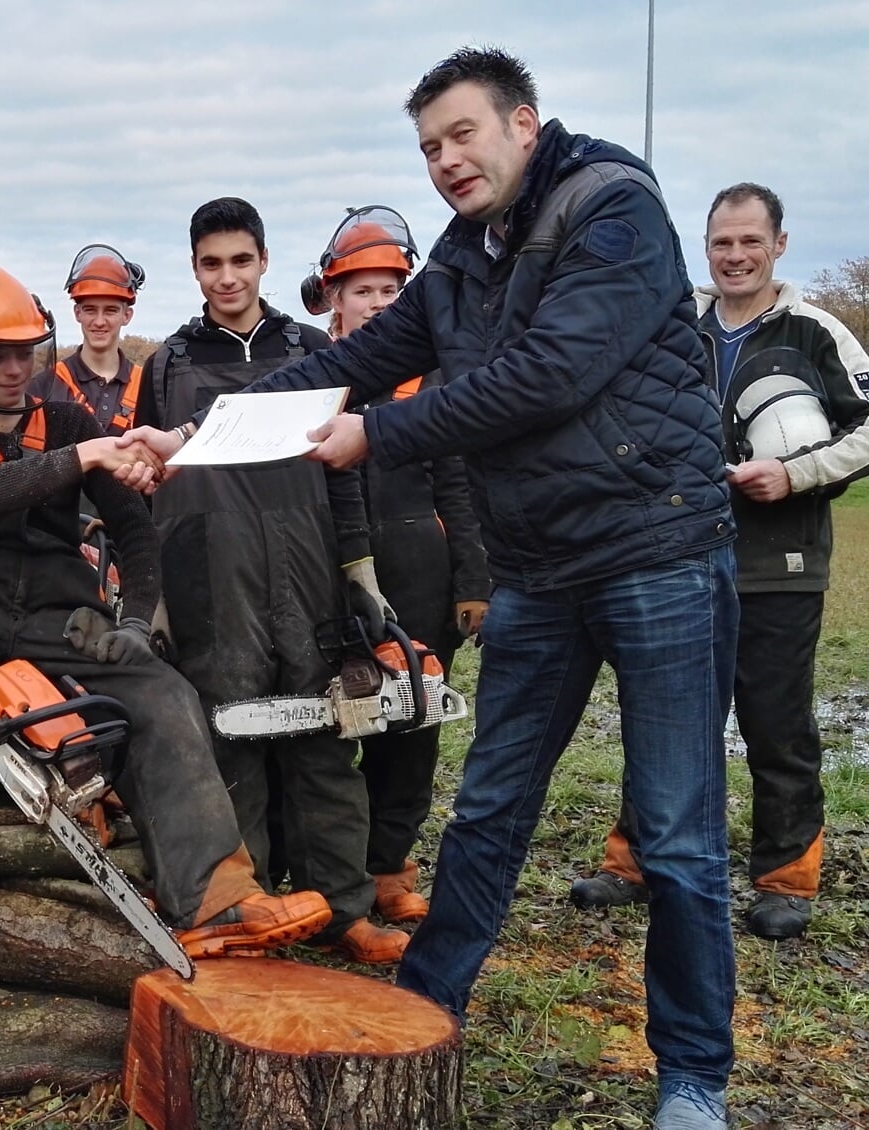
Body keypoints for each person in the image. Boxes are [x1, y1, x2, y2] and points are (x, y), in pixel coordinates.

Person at [117, 48, 739, 1130]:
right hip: (541, 566)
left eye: (461, 135)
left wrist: (377, 433)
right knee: (490, 806)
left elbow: (547, 371)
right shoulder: (462, 253)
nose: (446, 160)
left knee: (677, 830)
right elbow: (346, 363)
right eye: (427, 147)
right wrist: (199, 434)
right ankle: (426, 1001)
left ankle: (690, 1074)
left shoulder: (612, 209)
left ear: (521, 124)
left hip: (657, 548)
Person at [0, 265, 332, 960]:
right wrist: (83, 455)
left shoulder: (67, 418)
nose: (14, 369)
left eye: (24, 352)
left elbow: (136, 533)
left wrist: (136, 623)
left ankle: (215, 900)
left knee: (164, 693)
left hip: (60, 614)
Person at [570, 183, 869, 941]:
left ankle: (784, 880)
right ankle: (634, 864)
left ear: (777, 245)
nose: (734, 255)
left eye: (749, 241)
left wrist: (794, 474)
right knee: (664, 719)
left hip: (777, 565)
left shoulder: (813, 330)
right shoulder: (671, 323)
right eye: (721, 242)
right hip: (671, 560)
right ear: (705, 246)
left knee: (774, 722)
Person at [132, 197, 404, 964]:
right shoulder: (168, 364)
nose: (227, 277)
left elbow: (343, 468)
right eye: (211, 263)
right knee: (232, 740)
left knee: (323, 740)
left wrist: (359, 569)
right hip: (211, 579)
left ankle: (344, 909)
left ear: (263, 261)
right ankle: (244, 908)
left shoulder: (311, 347)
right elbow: (154, 489)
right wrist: (153, 599)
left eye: (240, 260)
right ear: (193, 269)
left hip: (308, 564)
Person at [303, 205, 491, 926]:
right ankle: (326, 867)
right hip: (328, 571)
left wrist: (471, 581)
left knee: (411, 726)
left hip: (419, 565)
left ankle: (387, 867)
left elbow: (461, 488)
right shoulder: (317, 383)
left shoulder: (432, 383)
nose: (377, 302)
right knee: (327, 721)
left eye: (390, 290)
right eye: (362, 290)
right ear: (334, 299)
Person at [29, 244, 147, 436]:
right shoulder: (45, 386)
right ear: (77, 313)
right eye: (90, 310)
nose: (99, 322)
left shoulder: (147, 386)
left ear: (127, 315)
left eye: (110, 310)